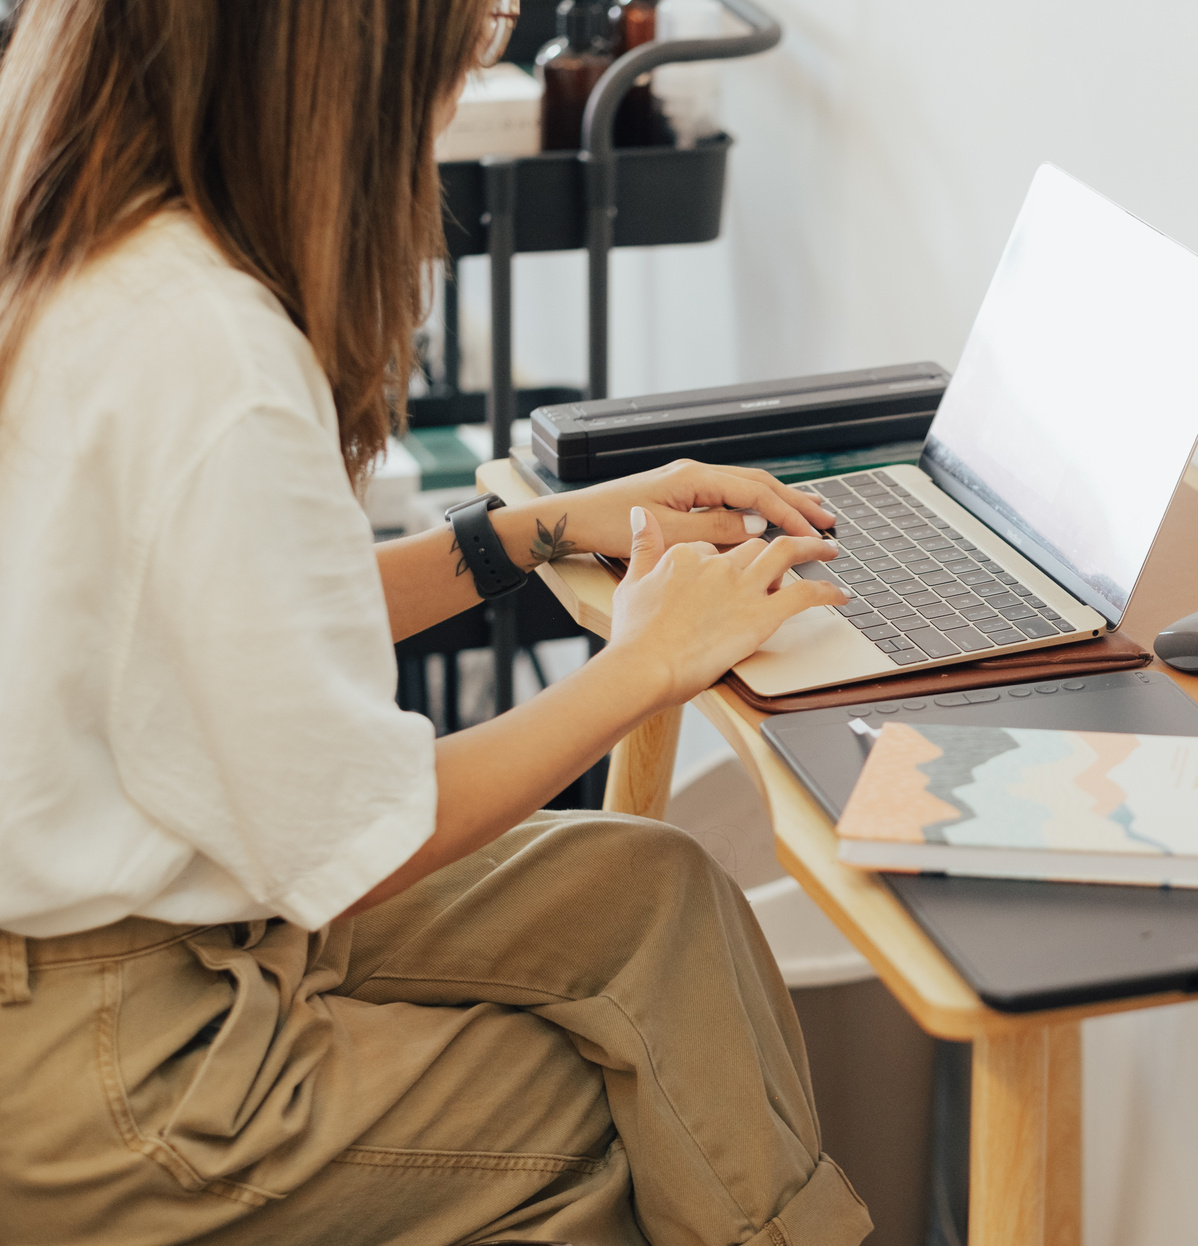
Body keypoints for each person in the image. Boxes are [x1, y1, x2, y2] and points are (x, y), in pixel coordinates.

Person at [0, 3, 874, 1244]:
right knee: (611, 1127)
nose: (463, 91)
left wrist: (540, 530)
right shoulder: (214, 361)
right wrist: (645, 663)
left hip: (123, 938)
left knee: (655, 894)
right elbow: (364, 838)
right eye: (463, 46)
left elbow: (223, 628)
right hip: (122, 1060)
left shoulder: (87, 240)